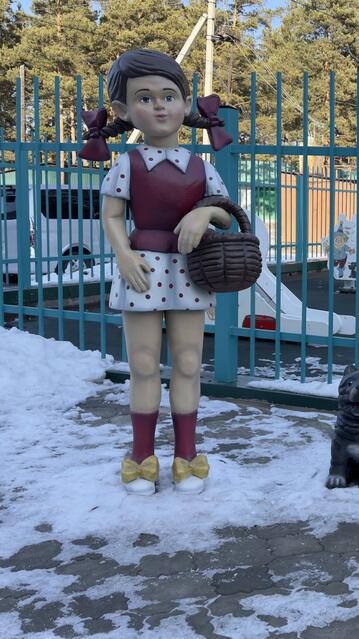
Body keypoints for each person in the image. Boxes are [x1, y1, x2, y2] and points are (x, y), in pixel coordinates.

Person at [79, 48, 235, 495]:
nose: (160, 106)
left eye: (169, 96)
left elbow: (226, 213)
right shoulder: (125, 165)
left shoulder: (200, 167)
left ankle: (186, 455)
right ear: (126, 111)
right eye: (145, 98)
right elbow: (111, 217)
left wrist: (204, 216)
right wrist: (124, 256)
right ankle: (141, 456)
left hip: (189, 271)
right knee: (144, 365)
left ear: (186, 106)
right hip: (142, 272)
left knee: (188, 362)